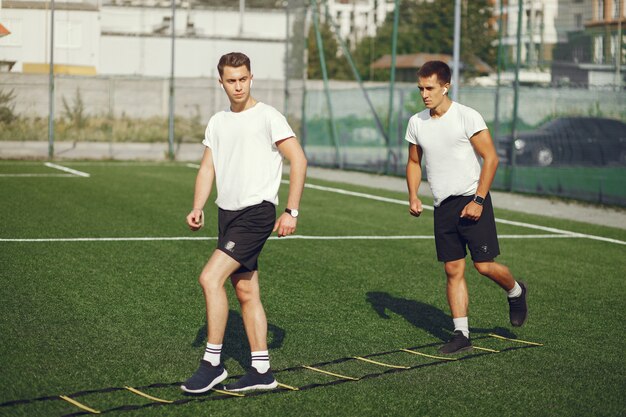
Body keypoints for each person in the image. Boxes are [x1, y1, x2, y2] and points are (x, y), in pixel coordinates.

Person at [181, 52, 307, 393]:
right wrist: (198, 206)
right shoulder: (218, 121)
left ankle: (212, 363)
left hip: (256, 213)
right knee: (246, 290)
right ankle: (262, 371)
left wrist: (291, 211)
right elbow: (208, 167)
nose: (238, 86)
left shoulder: (269, 117)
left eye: (243, 79)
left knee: (209, 278)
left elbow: (299, 159)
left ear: (251, 78)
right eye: (231, 80)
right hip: (228, 213)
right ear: (220, 82)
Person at [405, 60, 528, 354]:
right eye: (421, 88)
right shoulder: (416, 122)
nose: (424, 94)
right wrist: (413, 195)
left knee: (483, 266)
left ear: (445, 86)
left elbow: (492, 158)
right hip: (443, 205)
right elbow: (413, 162)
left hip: (472, 199)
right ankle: (461, 333)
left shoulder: (466, 116)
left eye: (430, 88)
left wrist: (479, 200)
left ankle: (516, 291)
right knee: (452, 269)